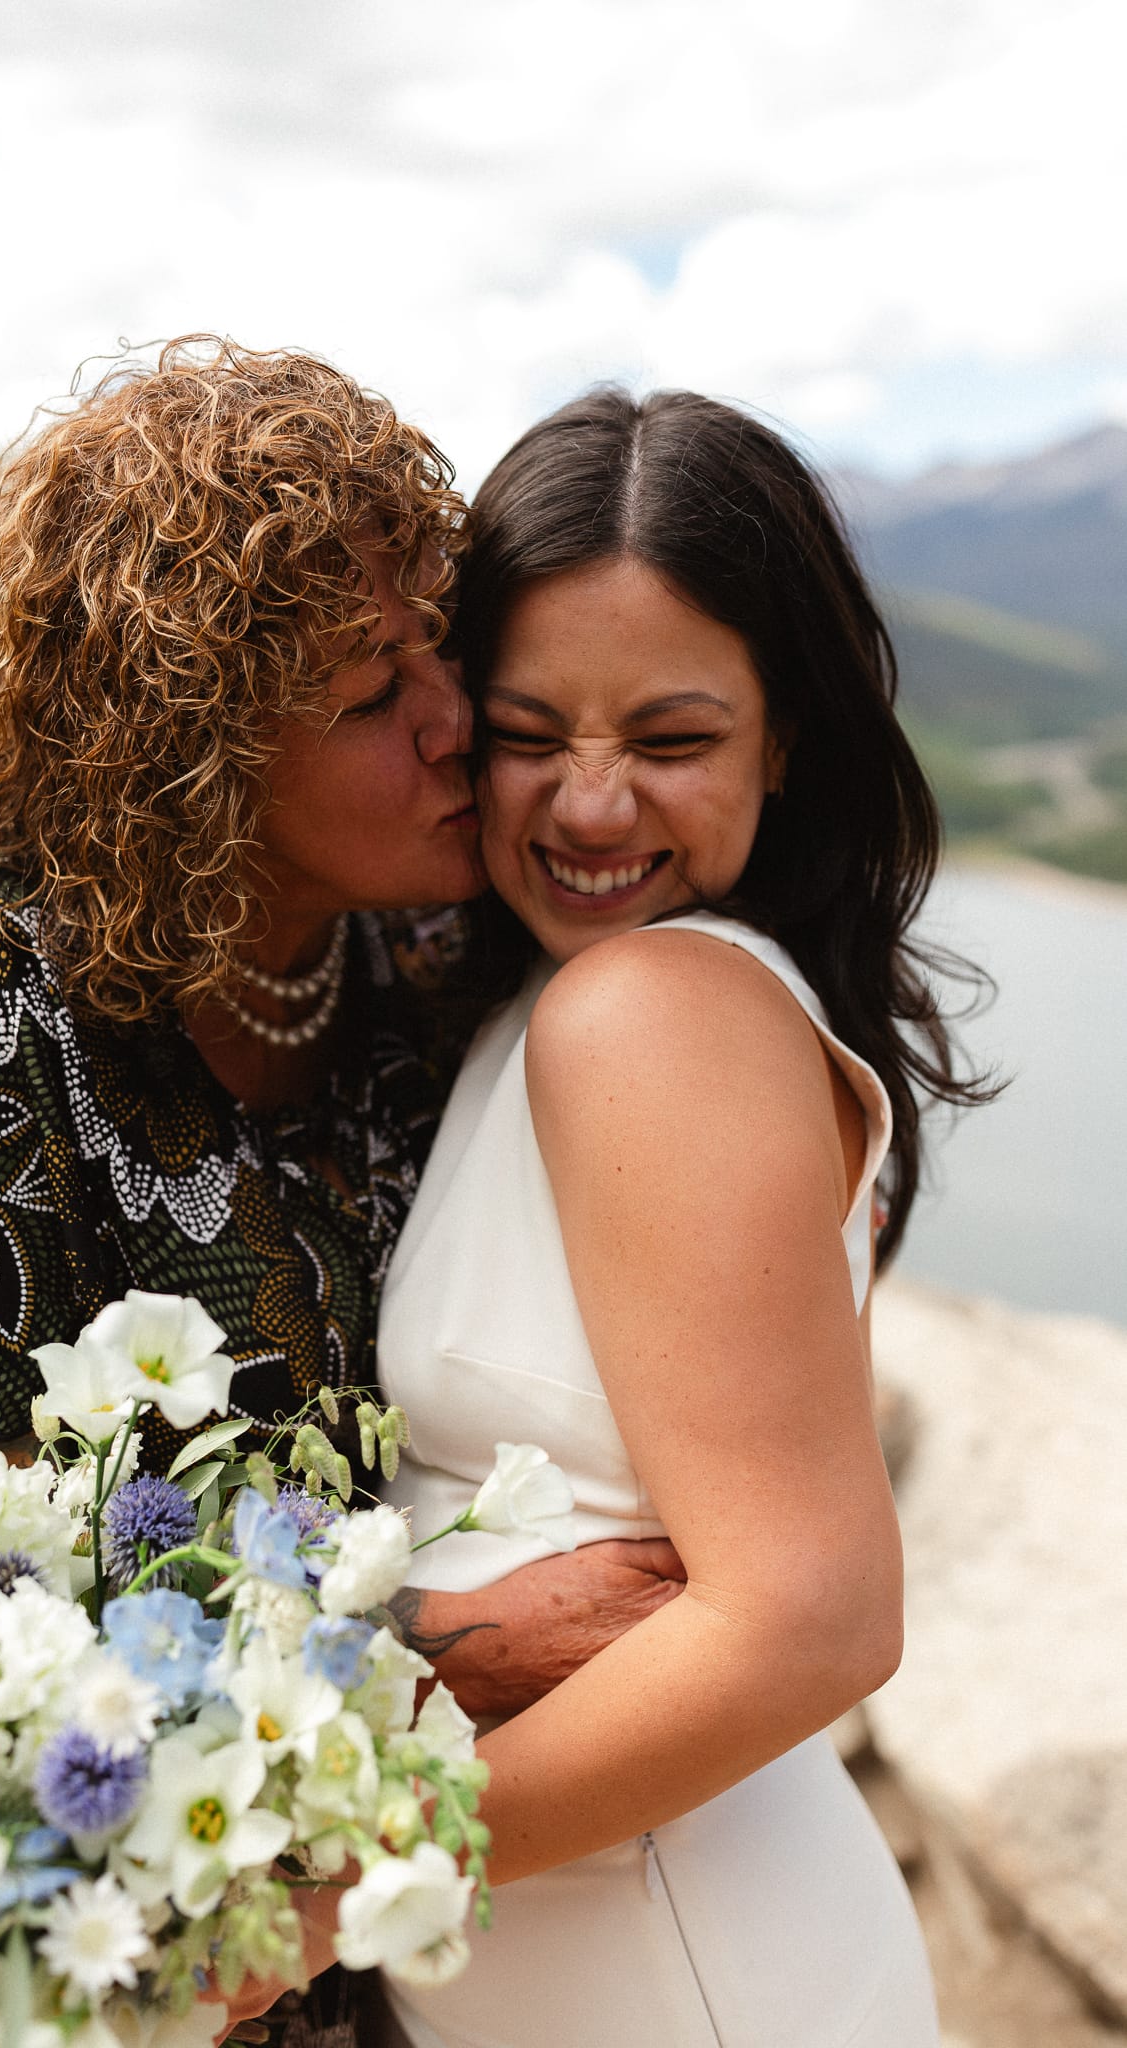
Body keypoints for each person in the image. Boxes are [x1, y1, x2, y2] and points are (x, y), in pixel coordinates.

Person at [0, 342, 684, 2048]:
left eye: (439, 641)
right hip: (90, 1945)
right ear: (183, 756)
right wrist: (433, 1637)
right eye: (370, 693)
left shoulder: (431, 958)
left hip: (405, 1942)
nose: (453, 718)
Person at [372, 389, 988, 2046]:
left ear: (784, 742)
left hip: (677, 1958)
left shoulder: (648, 1009)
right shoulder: (560, 1001)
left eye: (668, 743)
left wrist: (328, 1885)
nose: (588, 808)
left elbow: (810, 1619)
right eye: (527, 732)